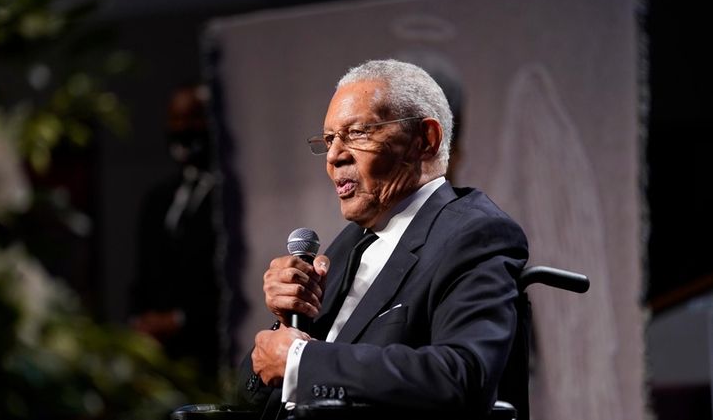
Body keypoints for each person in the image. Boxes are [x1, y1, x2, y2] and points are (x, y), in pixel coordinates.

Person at [236, 59, 529, 419]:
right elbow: (254, 399)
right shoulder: (347, 246)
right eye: (328, 140)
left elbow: (462, 376)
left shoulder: (474, 235)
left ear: (425, 140)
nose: (333, 156)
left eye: (357, 133)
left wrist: (300, 360)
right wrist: (285, 326)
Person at [129, 83, 242, 393]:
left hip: (213, 357)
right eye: (175, 120)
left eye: (192, 118)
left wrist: (179, 320)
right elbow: (144, 273)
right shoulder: (157, 198)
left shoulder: (234, 199)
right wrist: (140, 323)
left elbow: (236, 280)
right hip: (159, 364)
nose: (182, 129)